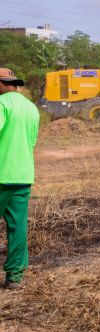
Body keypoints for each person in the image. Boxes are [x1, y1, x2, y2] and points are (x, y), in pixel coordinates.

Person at [0, 68, 40, 289]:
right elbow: (31, 141)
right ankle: (14, 276)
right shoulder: (31, 108)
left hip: (1, 175)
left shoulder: (2, 104)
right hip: (23, 176)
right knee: (17, 228)